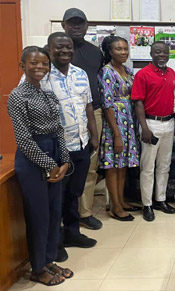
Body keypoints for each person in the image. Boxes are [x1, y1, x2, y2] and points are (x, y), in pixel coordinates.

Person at [8, 46, 73, 286]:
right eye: (34, 63)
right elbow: (23, 139)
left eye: (44, 64)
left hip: (54, 153)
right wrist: (49, 164)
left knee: (55, 213)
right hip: (32, 159)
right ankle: (36, 268)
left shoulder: (48, 94)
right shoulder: (17, 96)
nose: (40, 67)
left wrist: (64, 160)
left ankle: (47, 260)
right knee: (39, 216)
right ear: (22, 65)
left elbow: (58, 129)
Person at [43, 32, 100, 261]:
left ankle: (72, 233)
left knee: (74, 192)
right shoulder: (41, 75)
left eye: (68, 47)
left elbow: (88, 107)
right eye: (59, 47)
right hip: (56, 147)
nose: (65, 51)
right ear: (49, 48)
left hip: (81, 143)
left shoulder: (80, 74)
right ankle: (54, 242)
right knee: (56, 195)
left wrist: (94, 136)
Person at [61, 8, 104, 231]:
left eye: (80, 23)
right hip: (62, 117)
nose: (76, 27)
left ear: (87, 26)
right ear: (63, 25)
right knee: (62, 166)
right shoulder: (51, 52)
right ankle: (64, 216)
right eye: (71, 23)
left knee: (89, 166)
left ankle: (84, 213)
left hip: (92, 112)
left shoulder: (96, 52)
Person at [132, 41, 175, 222]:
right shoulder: (143, 74)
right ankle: (147, 204)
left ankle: (161, 200)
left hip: (169, 122)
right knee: (148, 167)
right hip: (151, 124)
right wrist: (144, 128)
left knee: (164, 166)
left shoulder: (172, 73)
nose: (161, 55)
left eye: (165, 52)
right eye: (158, 52)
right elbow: (138, 102)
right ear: (151, 53)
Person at [98, 36, 140, 221]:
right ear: (109, 52)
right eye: (118, 49)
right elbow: (107, 105)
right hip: (114, 124)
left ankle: (120, 200)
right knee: (113, 166)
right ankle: (114, 206)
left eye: (125, 49)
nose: (123, 52)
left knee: (122, 165)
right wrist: (116, 134)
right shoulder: (106, 72)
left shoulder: (127, 70)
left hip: (128, 122)